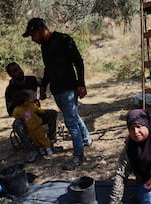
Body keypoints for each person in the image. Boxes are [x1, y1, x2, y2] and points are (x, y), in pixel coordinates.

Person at [22, 18, 92, 170]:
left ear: (40, 29)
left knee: (70, 121)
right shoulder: (44, 47)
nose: (33, 39)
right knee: (72, 115)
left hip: (69, 87)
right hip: (57, 90)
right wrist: (43, 86)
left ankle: (78, 155)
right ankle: (86, 138)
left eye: (33, 35)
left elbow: (78, 61)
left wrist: (81, 83)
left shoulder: (63, 39)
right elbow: (48, 68)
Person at [5, 62, 58, 162]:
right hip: (24, 117)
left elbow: (44, 82)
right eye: (15, 70)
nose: (19, 71)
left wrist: (43, 91)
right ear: (11, 75)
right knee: (17, 125)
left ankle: (50, 141)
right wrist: (22, 106)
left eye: (19, 68)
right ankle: (31, 150)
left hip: (36, 113)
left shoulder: (31, 79)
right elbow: (10, 111)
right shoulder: (10, 89)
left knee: (52, 113)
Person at [12, 91, 53, 156]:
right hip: (30, 128)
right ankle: (40, 148)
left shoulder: (31, 106)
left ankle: (47, 148)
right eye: (26, 101)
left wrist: (43, 112)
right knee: (35, 140)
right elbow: (15, 116)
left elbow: (37, 110)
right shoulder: (17, 110)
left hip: (37, 125)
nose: (28, 101)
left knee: (42, 137)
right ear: (21, 102)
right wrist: (20, 118)